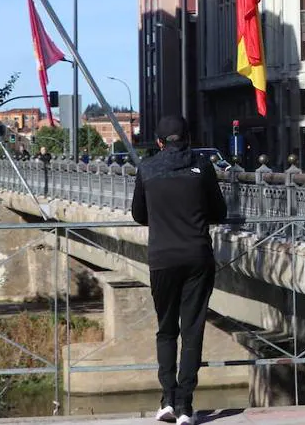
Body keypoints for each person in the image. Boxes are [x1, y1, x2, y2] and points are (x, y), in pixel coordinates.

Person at [131, 115, 229, 424]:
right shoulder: (202, 167)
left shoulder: (147, 169)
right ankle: (186, 405)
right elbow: (219, 212)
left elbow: (138, 214)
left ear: (159, 142)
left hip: (162, 258)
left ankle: (167, 400)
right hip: (197, 256)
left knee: (166, 330)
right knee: (192, 330)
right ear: (187, 138)